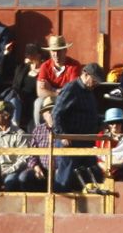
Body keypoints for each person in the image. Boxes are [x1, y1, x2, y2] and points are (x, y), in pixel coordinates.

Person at [50, 63, 104, 192]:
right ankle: (58, 207)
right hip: (70, 143)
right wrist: (62, 135)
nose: (96, 83)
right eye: (94, 80)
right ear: (85, 74)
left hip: (85, 142)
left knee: (93, 176)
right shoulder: (71, 88)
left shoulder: (89, 92)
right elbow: (56, 113)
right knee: (65, 178)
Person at [36, 34, 82, 108]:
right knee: (38, 103)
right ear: (50, 52)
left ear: (65, 51)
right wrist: (57, 93)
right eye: (53, 51)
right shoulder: (45, 66)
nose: (56, 54)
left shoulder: (74, 66)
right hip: (50, 99)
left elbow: (72, 90)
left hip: (69, 100)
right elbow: (40, 92)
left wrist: (50, 89)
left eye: (59, 51)